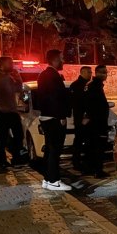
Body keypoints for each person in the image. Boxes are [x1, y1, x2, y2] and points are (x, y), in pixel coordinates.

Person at [37, 49, 71, 191]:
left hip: (47, 116)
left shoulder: (44, 75)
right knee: (55, 150)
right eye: (62, 58)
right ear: (55, 60)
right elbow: (55, 98)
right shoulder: (52, 76)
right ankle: (54, 181)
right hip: (53, 118)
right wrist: (61, 116)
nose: (63, 61)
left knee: (50, 150)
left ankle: (47, 178)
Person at [0, 56, 28, 166]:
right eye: (10, 63)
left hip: (13, 111)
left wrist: (19, 79)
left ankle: (17, 158)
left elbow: (18, 90)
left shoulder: (10, 77)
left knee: (18, 136)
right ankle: (1, 161)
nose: (12, 65)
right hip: (2, 113)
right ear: (2, 64)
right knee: (2, 138)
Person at [82, 64, 110, 179]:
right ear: (97, 73)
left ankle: (92, 169)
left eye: (106, 72)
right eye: (103, 72)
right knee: (98, 148)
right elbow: (94, 106)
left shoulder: (93, 86)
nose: (105, 74)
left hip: (94, 123)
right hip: (98, 123)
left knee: (93, 147)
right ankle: (98, 171)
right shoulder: (95, 87)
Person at [69, 66, 92, 171]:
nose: (90, 74)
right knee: (82, 141)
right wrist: (85, 116)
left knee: (80, 141)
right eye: (88, 72)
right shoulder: (81, 86)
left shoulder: (78, 85)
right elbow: (80, 103)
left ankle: (78, 162)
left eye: (90, 72)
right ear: (82, 72)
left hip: (80, 118)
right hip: (83, 119)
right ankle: (80, 163)